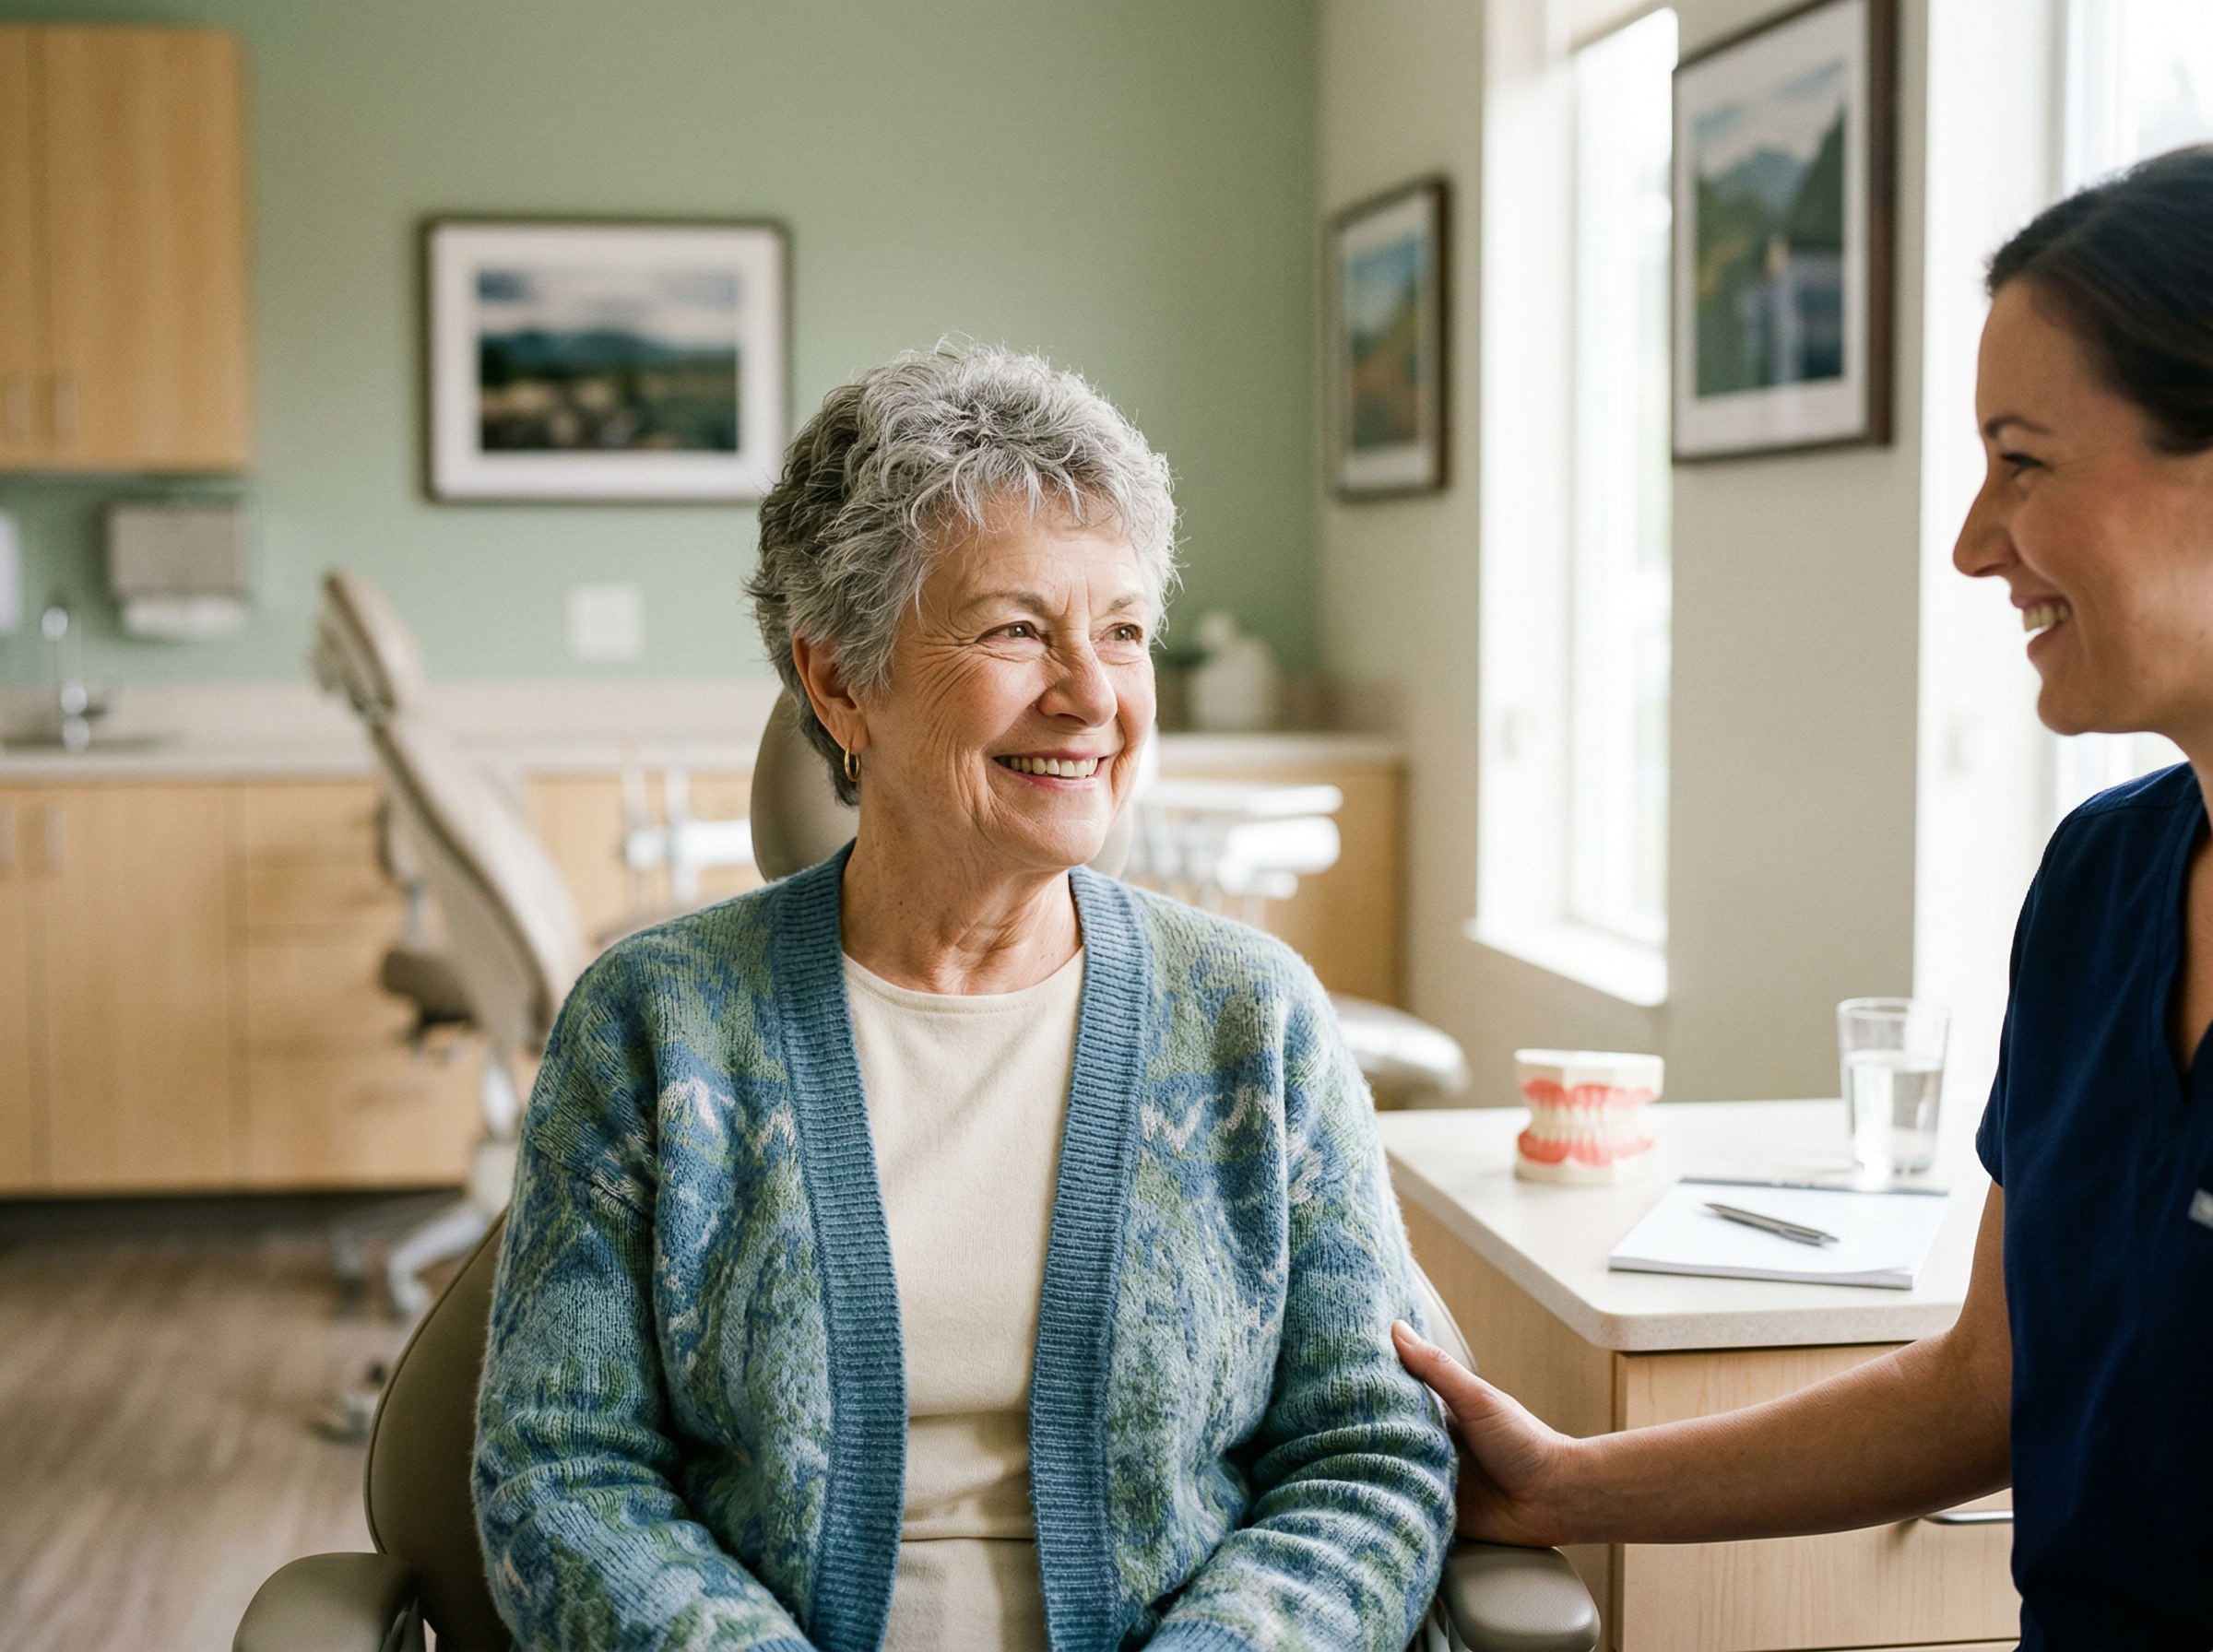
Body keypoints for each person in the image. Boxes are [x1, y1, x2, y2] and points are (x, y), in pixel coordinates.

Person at [473, 343, 1455, 1652]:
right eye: (1014, 631)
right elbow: (557, 1472)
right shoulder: (653, 1025)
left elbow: (1372, 1458)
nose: (1094, 696)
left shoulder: (1254, 1020)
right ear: (838, 682)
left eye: (1121, 632)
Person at [1394, 145, 2213, 1651]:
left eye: (2023, 461)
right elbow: (1990, 1387)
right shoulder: (2103, 888)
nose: (1973, 543)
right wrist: (1573, 1484)